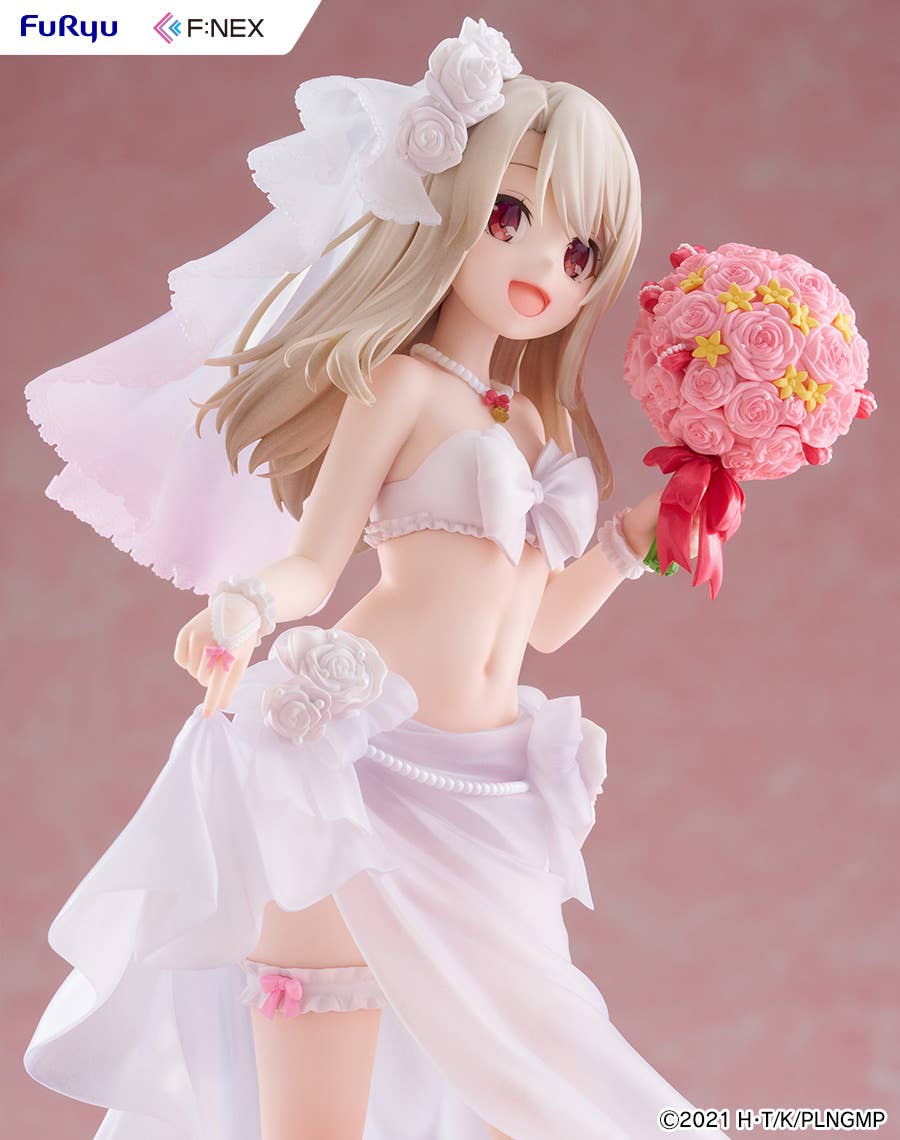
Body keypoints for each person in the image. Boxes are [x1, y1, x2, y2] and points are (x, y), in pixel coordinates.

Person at [23, 17, 715, 1140]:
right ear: (453, 204)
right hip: (355, 757)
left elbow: (537, 628)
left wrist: (633, 544)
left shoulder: (539, 423)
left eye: (581, 252)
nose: (545, 266)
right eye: (512, 216)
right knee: (320, 1080)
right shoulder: (401, 384)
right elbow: (316, 556)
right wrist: (249, 604)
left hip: (490, 786)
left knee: (540, 1073)